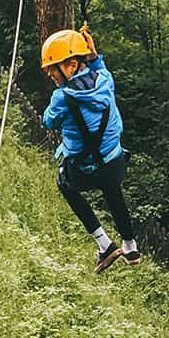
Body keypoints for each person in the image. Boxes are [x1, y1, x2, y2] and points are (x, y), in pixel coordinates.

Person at [41, 25, 140, 272]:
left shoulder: (62, 97)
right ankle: (130, 245)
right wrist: (93, 55)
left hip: (86, 169)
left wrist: (57, 100)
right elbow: (99, 67)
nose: (51, 75)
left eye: (53, 69)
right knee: (112, 190)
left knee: (64, 184)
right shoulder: (105, 80)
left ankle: (104, 244)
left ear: (71, 65)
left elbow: (49, 122)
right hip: (115, 163)